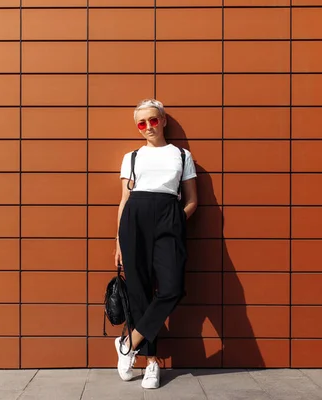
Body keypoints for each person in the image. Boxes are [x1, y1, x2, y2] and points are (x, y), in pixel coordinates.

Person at [113, 99, 198, 389]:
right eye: (141, 123)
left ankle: (128, 342)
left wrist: (176, 220)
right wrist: (118, 242)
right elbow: (124, 200)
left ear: (163, 121)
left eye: (152, 120)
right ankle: (151, 362)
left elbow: (192, 201)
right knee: (139, 292)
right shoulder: (132, 157)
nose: (147, 127)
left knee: (172, 288)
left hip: (168, 218)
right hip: (134, 221)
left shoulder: (181, 155)